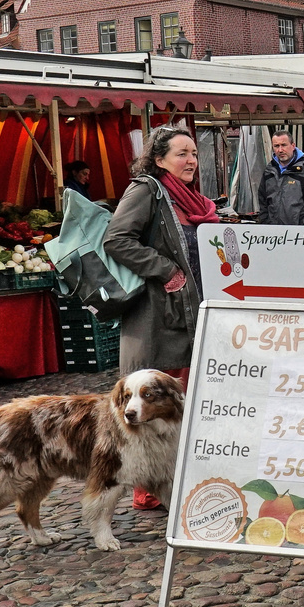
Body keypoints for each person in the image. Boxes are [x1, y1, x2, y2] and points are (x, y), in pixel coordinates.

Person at [104, 125, 215, 510]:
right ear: (159, 158)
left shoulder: (191, 199)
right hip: (156, 314)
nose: (190, 160)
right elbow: (116, 239)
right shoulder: (146, 189)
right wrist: (165, 270)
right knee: (152, 404)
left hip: (187, 310)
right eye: (182, 153)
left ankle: (173, 480)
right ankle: (147, 490)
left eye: (194, 154)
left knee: (178, 403)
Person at [257, 130, 304, 226]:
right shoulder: (269, 170)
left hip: (298, 235)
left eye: (284, 145)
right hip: (273, 235)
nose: (280, 150)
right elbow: (262, 200)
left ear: (293, 146)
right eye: (276, 146)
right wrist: (266, 222)